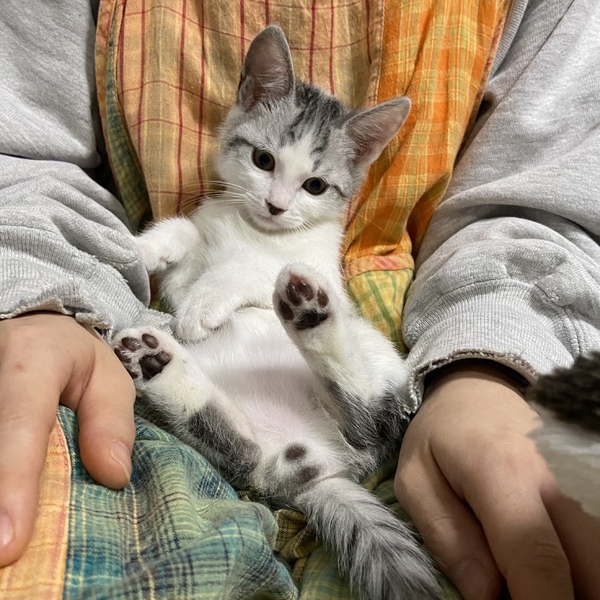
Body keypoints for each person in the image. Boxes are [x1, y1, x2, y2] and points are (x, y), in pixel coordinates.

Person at [0, 1, 598, 600]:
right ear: (246, 105)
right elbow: (188, 250)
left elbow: (285, 281)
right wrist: (162, 244)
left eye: (313, 185)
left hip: (328, 408)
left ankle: (340, 383)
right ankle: (226, 427)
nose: (278, 201)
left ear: (355, 167)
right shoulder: (219, 213)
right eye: (264, 161)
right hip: (258, 408)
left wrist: (240, 281)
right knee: (207, 338)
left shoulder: (316, 241)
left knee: (345, 328)